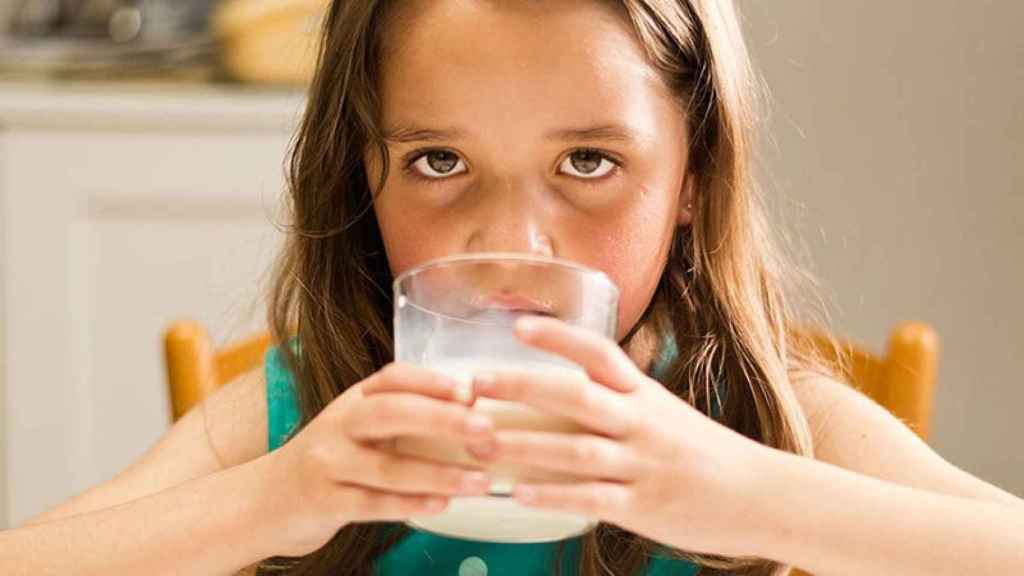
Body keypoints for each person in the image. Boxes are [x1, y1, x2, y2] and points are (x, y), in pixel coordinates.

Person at [3, 1, 1022, 575]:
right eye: (440, 163)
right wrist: (276, 498)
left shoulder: (759, 418)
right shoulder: (299, 412)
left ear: (689, 182)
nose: (509, 242)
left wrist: (741, 492)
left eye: (586, 163)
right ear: (368, 174)